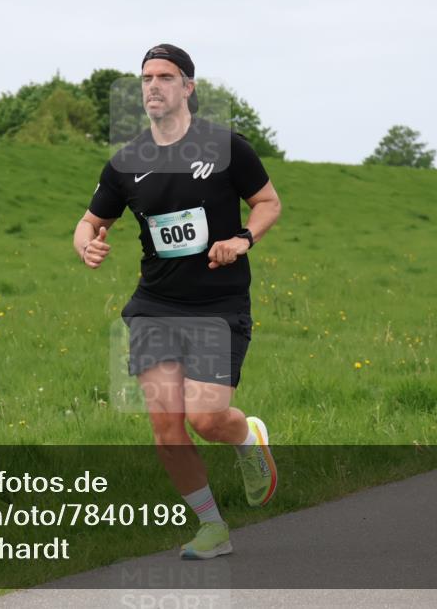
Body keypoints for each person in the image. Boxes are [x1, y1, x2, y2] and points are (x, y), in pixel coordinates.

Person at [73, 44, 281, 560]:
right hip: (155, 304)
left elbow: (268, 203)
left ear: (188, 86)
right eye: (146, 77)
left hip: (218, 302)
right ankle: (212, 527)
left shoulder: (226, 146)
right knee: (167, 427)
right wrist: (88, 243)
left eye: (165, 76)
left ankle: (248, 438)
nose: (153, 86)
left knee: (207, 420)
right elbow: (89, 221)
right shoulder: (126, 163)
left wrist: (243, 240)